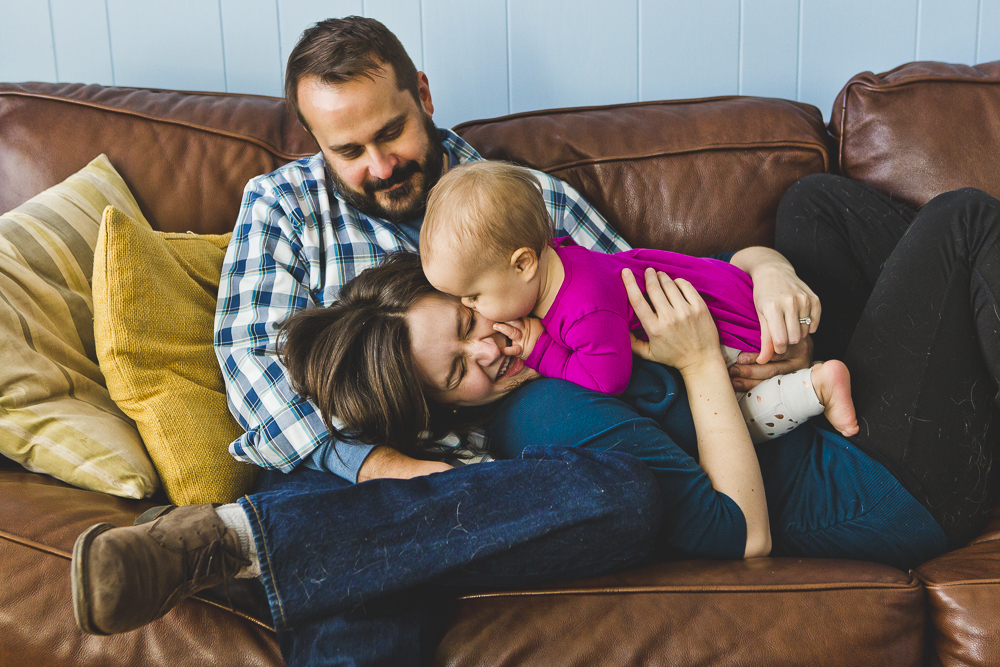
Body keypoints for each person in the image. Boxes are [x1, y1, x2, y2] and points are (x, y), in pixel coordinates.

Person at [68, 15, 818, 666]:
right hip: (331, 467)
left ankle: (249, 547)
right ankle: (231, 541)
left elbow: (623, 304)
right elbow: (251, 363)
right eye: (348, 150)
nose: (378, 165)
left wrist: (745, 331)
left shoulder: (526, 197)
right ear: (316, 143)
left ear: (422, 95)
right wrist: (381, 467)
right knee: (363, 608)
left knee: (622, 491)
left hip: (507, 479)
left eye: (390, 132)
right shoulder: (284, 202)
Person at [278, 180, 1000, 573]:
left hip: (821, 391)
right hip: (877, 481)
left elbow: (703, 275)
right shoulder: (549, 411)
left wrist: (773, 277)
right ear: (440, 409)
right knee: (963, 221)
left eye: (468, 318)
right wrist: (699, 362)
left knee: (813, 204)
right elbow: (745, 535)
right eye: (460, 368)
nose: (491, 343)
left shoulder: (553, 311)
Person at [418, 160, 858, 443]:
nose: (474, 309)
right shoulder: (564, 256)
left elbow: (605, 378)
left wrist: (543, 351)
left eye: (472, 297)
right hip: (728, 294)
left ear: (523, 264)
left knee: (738, 422)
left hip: (734, 339)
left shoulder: (583, 310)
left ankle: (817, 386)